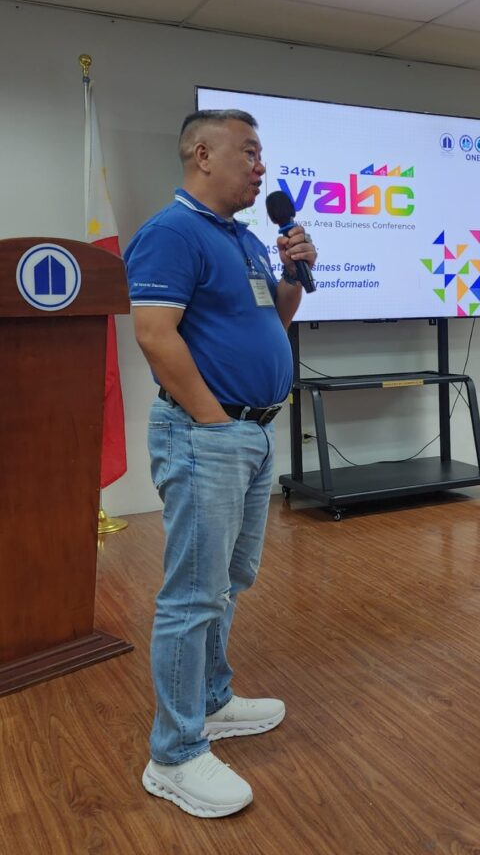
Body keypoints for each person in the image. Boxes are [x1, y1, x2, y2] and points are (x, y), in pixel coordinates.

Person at [124, 109, 316, 818]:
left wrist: (292, 273)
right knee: (191, 597)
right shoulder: (172, 232)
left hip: (249, 434)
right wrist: (213, 422)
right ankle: (174, 754)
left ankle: (211, 700)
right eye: (249, 152)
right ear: (202, 154)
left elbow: (273, 320)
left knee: (229, 581)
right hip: (208, 435)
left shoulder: (244, 239)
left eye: (262, 154)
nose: (262, 167)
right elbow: (154, 334)